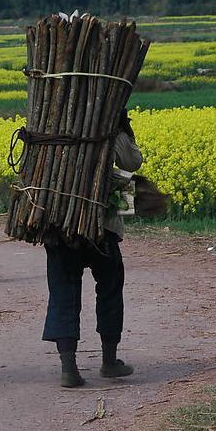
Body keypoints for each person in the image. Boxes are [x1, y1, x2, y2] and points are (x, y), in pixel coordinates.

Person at [43, 109, 142, 387]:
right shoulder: (109, 126)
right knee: (110, 289)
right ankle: (109, 361)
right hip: (103, 228)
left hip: (58, 224)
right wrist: (125, 131)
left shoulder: (48, 124)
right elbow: (133, 162)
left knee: (63, 291)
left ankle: (69, 369)